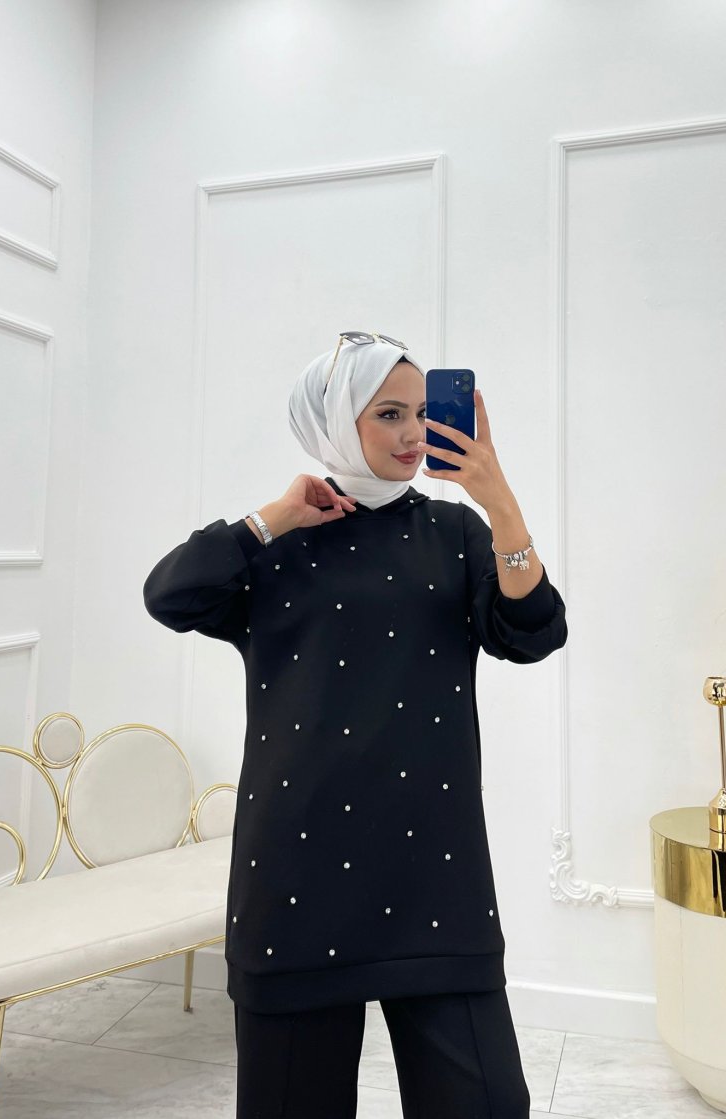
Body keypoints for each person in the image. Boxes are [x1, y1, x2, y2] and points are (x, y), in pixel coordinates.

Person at [142, 332, 568, 1118]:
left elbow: (533, 629)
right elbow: (169, 594)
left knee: (487, 1102)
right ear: (337, 422)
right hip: (297, 873)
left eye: (422, 412)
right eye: (389, 413)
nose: (414, 433)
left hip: (435, 872)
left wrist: (500, 501)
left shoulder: (455, 532)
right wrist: (272, 518)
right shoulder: (276, 547)